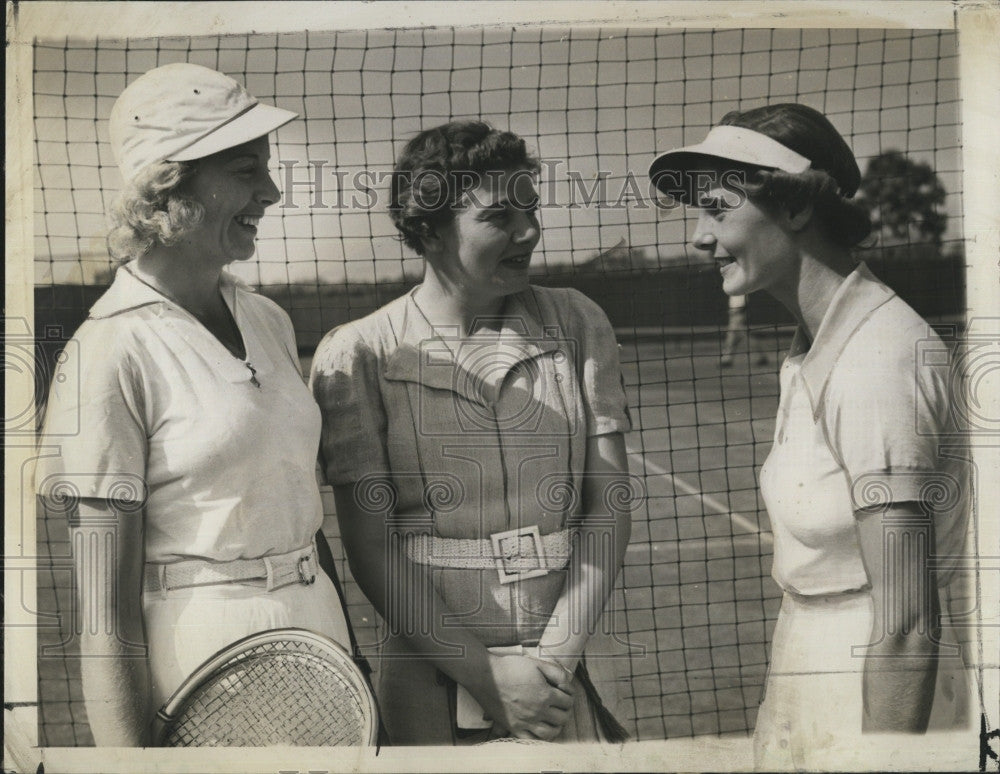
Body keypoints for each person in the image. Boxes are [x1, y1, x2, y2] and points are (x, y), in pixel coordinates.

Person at [35, 62, 352, 746]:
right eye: (245, 170)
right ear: (169, 185)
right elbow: (104, 617)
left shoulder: (268, 319)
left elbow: (303, 516)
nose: (271, 191)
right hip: (201, 663)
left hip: (319, 639)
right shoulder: (104, 354)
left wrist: (343, 654)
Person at [649, 103, 972, 768]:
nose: (699, 237)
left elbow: (908, 625)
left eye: (717, 209)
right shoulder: (814, 346)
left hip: (876, 685)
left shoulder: (877, 359)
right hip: (807, 659)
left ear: (795, 208)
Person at [310, 120, 633, 745]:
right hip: (429, 678)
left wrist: (555, 664)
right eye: (500, 216)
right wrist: (487, 677)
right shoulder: (356, 354)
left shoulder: (578, 320)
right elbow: (371, 547)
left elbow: (609, 505)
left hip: (570, 670)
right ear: (429, 229)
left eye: (532, 209)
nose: (529, 231)